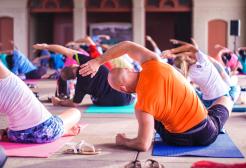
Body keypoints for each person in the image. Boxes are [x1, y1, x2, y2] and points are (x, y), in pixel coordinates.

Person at [79, 40, 233, 151]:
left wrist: (123, 141)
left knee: (151, 115)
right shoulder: (154, 62)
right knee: (225, 98)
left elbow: (143, 145)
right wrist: (98, 61)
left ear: (123, 89)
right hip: (205, 132)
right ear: (131, 70)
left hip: (176, 140)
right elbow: (127, 46)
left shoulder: (141, 107)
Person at [0, 61, 81, 143]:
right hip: (44, 131)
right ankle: (63, 131)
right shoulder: (8, 80)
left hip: (16, 136)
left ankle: (61, 130)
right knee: (75, 112)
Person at [33, 43, 136, 107]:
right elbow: (65, 50)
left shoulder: (80, 86)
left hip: (104, 102)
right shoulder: (86, 61)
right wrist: (46, 46)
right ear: (73, 66)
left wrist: (59, 102)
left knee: (94, 97)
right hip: (125, 99)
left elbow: (74, 103)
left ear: (73, 79)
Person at [168, 39, 239, 107]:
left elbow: (185, 88)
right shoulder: (203, 61)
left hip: (209, 100)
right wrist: (173, 51)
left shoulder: (189, 74)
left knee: (192, 90)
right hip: (223, 95)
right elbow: (191, 48)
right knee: (234, 85)